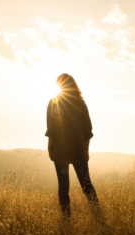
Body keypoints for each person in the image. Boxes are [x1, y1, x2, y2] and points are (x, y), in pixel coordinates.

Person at [45, 73, 100, 217]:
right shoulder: (81, 104)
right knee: (87, 185)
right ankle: (98, 215)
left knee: (63, 187)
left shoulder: (53, 102)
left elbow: (52, 130)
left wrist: (50, 148)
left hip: (60, 150)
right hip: (78, 150)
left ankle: (66, 220)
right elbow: (88, 131)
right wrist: (86, 150)